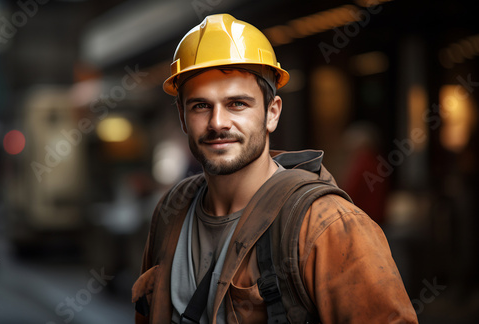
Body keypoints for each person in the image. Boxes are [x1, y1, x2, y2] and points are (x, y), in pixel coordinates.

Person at [132, 13, 418, 324]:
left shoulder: (328, 226)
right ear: (182, 117)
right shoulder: (171, 211)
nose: (217, 123)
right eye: (201, 105)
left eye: (237, 104)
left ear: (272, 113)